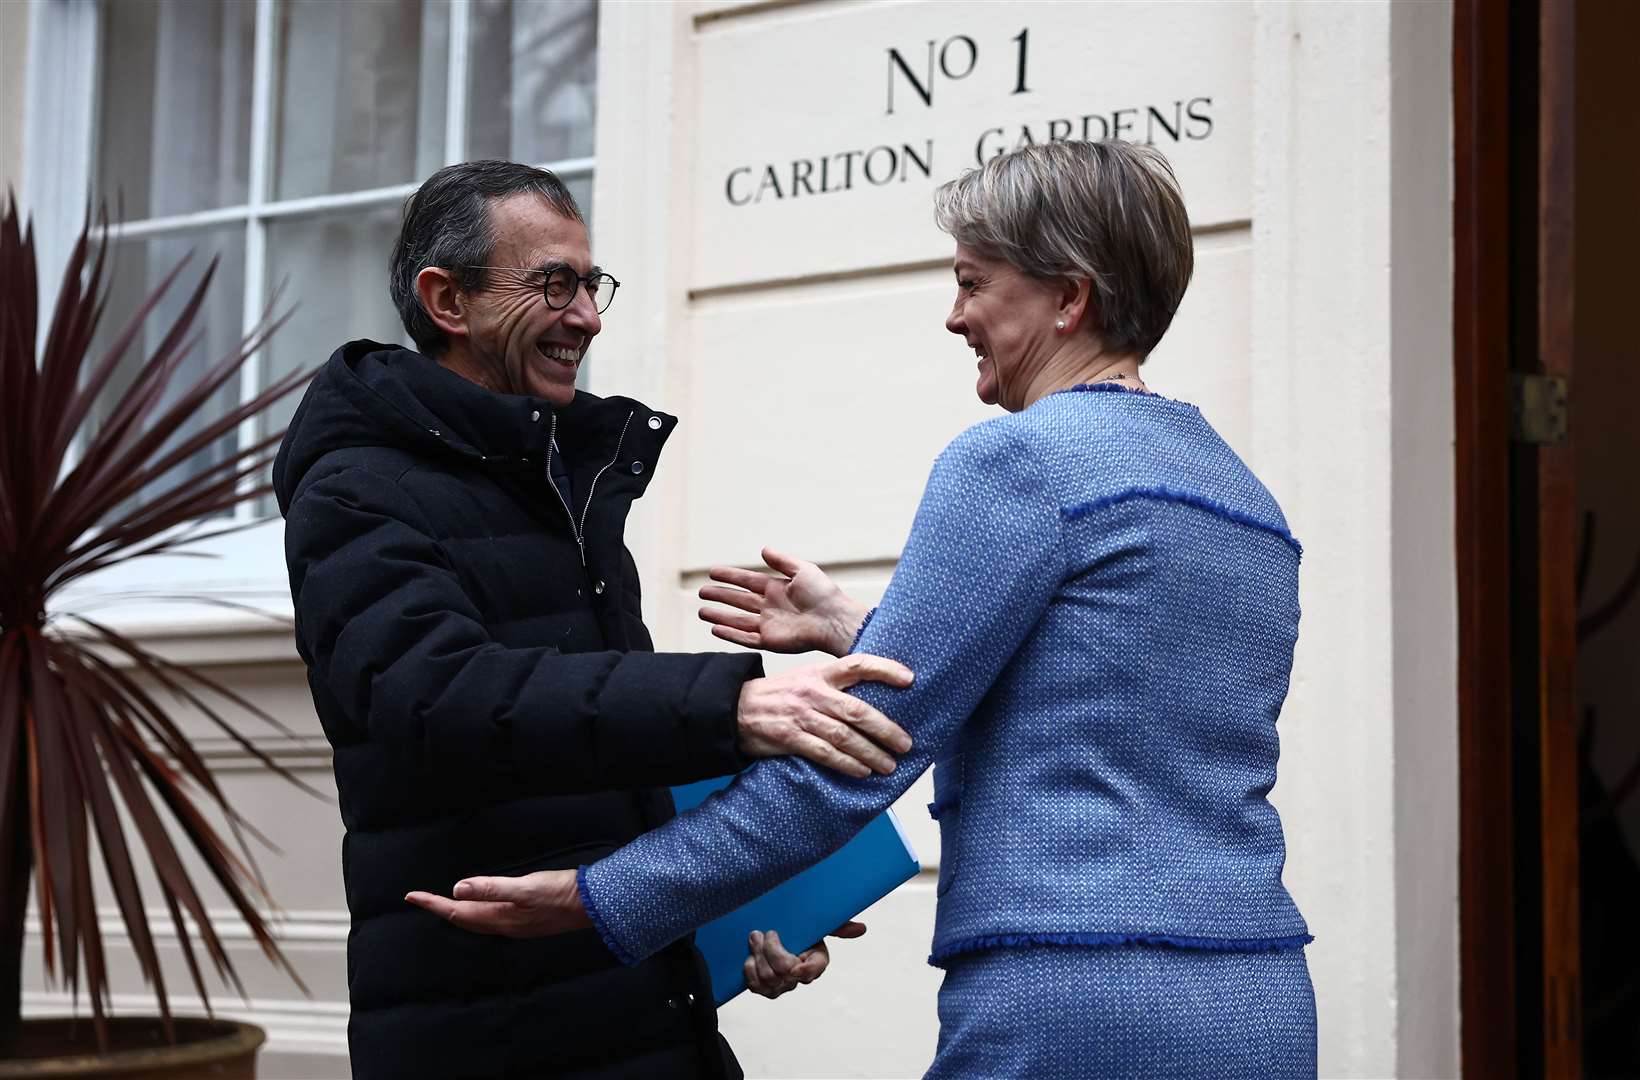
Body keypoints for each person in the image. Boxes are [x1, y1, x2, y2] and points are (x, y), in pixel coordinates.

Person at [409, 141, 1318, 1078]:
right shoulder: (1245, 500)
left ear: (1069, 298)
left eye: (973, 282)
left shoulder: (1019, 461)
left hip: (1075, 999)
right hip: (1257, 1000)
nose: (955, 315)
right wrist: (858, 631)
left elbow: (859, 751)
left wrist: (606, 897)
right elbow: (1100, 696)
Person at [273, 160, 914, 1080]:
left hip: (644, 1008)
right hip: (494, 1035)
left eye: (591, 284)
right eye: (554, 284)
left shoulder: (561, 474)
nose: (588, 316)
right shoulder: (353, 489)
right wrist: (737, 707)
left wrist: (747, 902)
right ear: (447, 300)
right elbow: (437, 694)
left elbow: (600, 746)